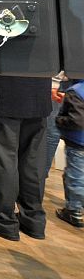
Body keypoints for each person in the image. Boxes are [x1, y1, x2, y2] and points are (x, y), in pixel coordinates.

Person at [0, 72, 52, 240]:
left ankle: (2, 219)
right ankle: (33, 218)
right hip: (38, 87)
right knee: (32, 158)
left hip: (0, 86)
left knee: (2, 157)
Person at [55, 77, 84, 228]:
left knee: (75, 177)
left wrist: (59, 120)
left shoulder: (76, 90)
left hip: (78, 143)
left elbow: (76, 121)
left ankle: (74, 211)